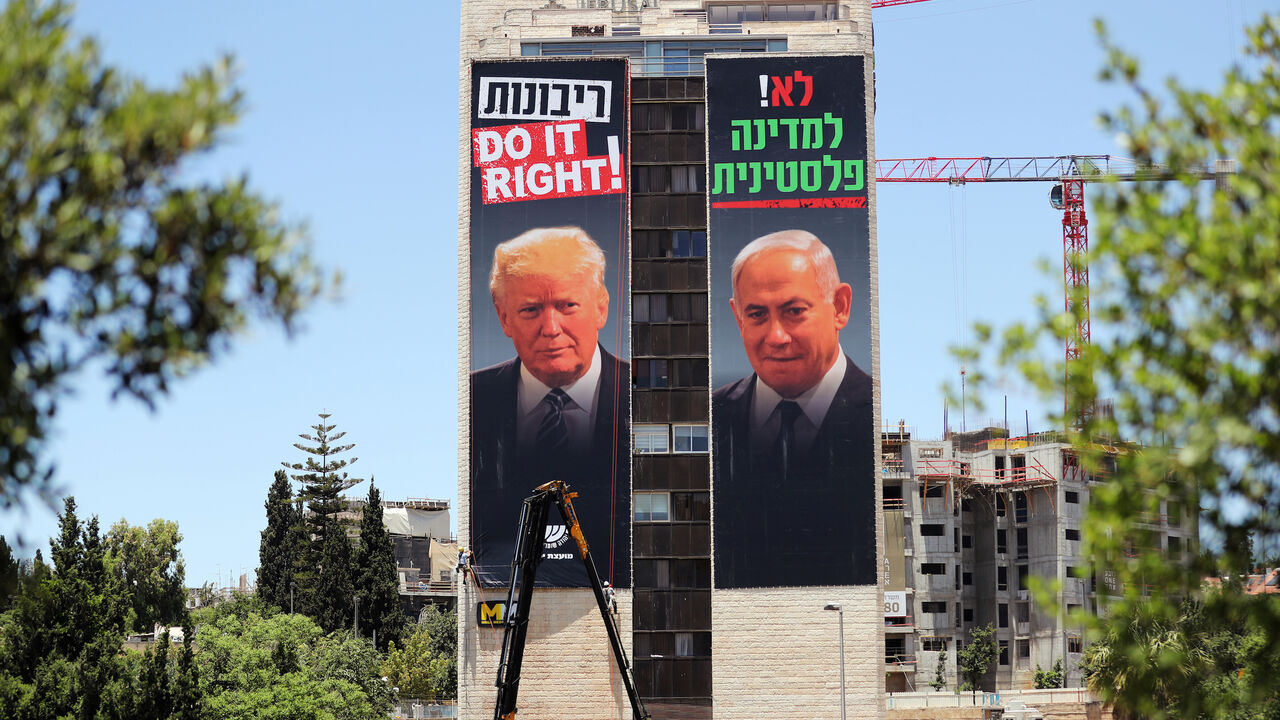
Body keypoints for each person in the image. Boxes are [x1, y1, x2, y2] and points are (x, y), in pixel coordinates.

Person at [712, 229, 874, 588]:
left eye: (794, 311)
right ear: (738, 318)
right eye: (756, 315)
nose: (776, 336)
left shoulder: (872, 414)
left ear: (841, 307)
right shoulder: (709, 420)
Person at [470, 226, 630, 586]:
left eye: (567, 305)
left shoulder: (644, 398)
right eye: (530, 310)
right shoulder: (476, 399)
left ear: (601, 307)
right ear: (503, 317)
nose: (551, 327)